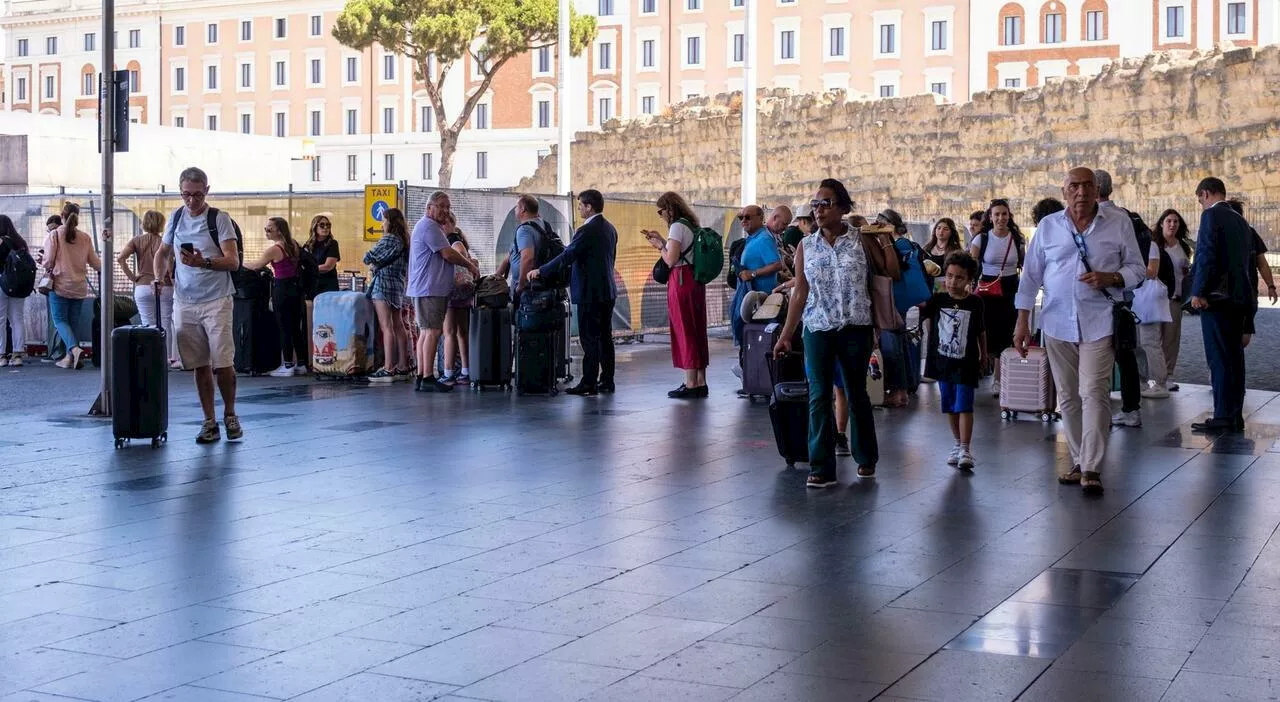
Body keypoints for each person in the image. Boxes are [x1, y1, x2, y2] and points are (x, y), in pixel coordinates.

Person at [1013, 167, 1146, 496]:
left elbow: (1137, 269)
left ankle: (1091, 466)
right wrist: (1022, 321)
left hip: (1099, 320)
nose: (1081, 193)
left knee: (1094, 392)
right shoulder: (1047, 227)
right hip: (1057, 323)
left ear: (1096, 189)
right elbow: (1030, 277)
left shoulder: (1118, 223)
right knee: (1068, 397)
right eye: (1075, 186)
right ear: (1064, 191)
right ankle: (1078, 458)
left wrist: (1111, 278)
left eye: (1088, 186)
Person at [773, 178, 898, 487]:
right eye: (815, 204)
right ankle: (821, 466)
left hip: (856, 326)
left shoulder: (862, 239)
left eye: (826, 203)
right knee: (818, 396)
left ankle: (866, 457)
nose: (818, 210)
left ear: (842, 207)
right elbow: (800, 292)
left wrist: (884, 239)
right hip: (817, 328)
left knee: (856, 392)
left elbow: (890, 273)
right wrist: (786, 334)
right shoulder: (806, 245)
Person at [153, 167, 243, 444]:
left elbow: (233, 261)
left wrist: (203, 262)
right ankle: (209, 420)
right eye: (186, 195)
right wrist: (159, 277)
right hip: (186, 300)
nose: (191, 201)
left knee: (222, 361)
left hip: (217, 300)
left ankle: (229, 413)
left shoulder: (219, 219)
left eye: (197, 195)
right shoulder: (176, 217)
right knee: (199, 363)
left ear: (206, 191)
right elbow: (162, 252)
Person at [528, 189, 619, 396]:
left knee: (589, 339)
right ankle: (607, 380)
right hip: (607, 290)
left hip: (590, 292)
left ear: (589, 207)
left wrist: (540, 270)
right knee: (605, 337)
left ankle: (588, 383)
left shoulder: (587, 230)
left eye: (581, 206)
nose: (579, 209)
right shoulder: (610, 228)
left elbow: (567, 256)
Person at [1188, 178, 1256, 433]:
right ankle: (1234, 414)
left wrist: (1198, 291)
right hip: (1239, 299)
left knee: (1219, 359)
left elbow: (1206, 254)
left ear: (1205, 193)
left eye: (1200, 199)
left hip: (1217, 299)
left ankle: (1223, 417)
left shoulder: (1212, 217)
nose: (1201, 204)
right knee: (1235, 360)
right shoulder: (1241, 221)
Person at [1094, 170, 1155, 427]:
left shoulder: (1108, 219)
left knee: (1105, 353)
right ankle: (1130, 407)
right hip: (1123, 297)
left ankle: (1105, 408)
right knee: (1123, 352)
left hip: (1107, 297)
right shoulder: (1126, 216)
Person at [921, 252, 988, 471]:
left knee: (964, 404)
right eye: (949, 276)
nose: (952, 282)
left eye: (959, 277)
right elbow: (920, 304)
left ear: (969, 280)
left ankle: (966, 448)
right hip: (943, 362)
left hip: (966, 362)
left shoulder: (975, 303)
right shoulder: (938, 300)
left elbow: (980, 331)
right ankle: (957, 444)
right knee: (949, 404)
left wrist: (983, 354)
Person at [408, 191, 479, 393]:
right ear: (429, 207)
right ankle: (428, 377)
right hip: (430, 288)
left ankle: (422, 375)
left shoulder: (426, 226)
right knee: (432, 331)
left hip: (426, 287)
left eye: (448, 207)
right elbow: (448, 254)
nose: (446, 211)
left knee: (425, 332)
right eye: (441, 206)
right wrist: (470, 266)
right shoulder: (429, 227)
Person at [642, 191, 710, 399]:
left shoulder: (677, 226)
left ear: (669, 209)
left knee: (684, 328)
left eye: (660, 211)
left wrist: (660, 246)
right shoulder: (691, 225)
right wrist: (664, 241)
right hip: (695, 280)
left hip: (681, 280)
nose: (660, 215)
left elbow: (671, 260)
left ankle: (689, 383)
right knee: (697, 329)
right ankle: (700, 381)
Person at [969, 199, 1024, 393]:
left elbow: (1023, 264)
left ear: (1009, 215)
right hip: (987, 288)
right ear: (990, 217)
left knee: (1005, 333)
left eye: (1004, 214)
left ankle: (998, 379)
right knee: (984, 331)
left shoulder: (1017, 238)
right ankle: (980, 366)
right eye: (997, 214)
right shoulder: (981, 239)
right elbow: (972, 265)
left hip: (1010, 288)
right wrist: (969, 286)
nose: (1001, 218)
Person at [243, 217, 308, 377]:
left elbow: (257, 265)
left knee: (284, 326)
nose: (266, 231)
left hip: (282, 288)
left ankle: (287, 364)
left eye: (269, 228)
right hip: (297, 288)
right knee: (295, 327)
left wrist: (239, 263)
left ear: (279, 230)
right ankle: (301, 363)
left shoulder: (275, 249)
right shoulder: (293, 244)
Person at [42, 202, 101, 370]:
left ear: (62, 216)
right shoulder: (85, 237)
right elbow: (95, 262)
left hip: (60, 285)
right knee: (73, 321)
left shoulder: (54, 235)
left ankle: (74, 349)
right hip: (79, 286)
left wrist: (43, 262)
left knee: (60, 320)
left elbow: (47, 261)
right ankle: (70, 358)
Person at [118, 210, 177, 367]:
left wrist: (133, 277)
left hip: (143, 286)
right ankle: (167, 358)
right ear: (162, 224)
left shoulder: (136, 240)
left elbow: (120, 258)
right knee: (166, 322)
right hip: (165, 287)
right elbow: (170, 268)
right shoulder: (166, 242)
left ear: (143, 223)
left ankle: (150, 358)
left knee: (147, 324)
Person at [364, 207, 411, 382]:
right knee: (399, 325)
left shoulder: (389, 238)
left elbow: (369, 256)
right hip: (397, 286)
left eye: (384, 220)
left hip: (383, 285)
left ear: (390, 222)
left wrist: (371, 261)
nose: (382, 223)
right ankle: (403, 366)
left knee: (386, 327)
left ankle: (388, 367)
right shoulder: (405, 240)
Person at [729, 205, 784, 354]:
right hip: (753, 302)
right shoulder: (753, 238)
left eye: (748, 217)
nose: (744, 220)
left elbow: (777, 264)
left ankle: (753, 371)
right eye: (741, 217)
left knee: (755, 345)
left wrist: (753, 273)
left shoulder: (764, 239)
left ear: (761, 218)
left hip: (760, 304)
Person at [1153, 209, 1193, 392]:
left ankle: (1168, 375)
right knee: (1152, 339)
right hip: (1155, 299)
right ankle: (1152, 375)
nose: (1172, 224)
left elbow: (1186, 272)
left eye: (1176, 221)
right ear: (1162, 223)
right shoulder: (1155, 246)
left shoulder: (1183, 247)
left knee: (1171, 339)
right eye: (1169, 221)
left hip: (1175, 299)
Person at [442, 219, 477, 385]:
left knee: (449, 332)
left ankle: (448, 372)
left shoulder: (452, 241)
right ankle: (466, 370)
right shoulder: (460, 239)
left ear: (449, 224)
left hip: (452, 291)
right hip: (464, 291)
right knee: (462, 332)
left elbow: (459, 253)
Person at [496, 194, 545, 302]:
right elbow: (510, 254)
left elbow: (527, 258)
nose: (515, 209)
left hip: (527, 287)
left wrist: (521, 284)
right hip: (537, 282)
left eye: (516, 206)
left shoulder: (525, 230)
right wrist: (495, 278)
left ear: (522, 209)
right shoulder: (541, 224)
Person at [0, 215, 30, 367]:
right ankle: (17, 354)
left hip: (1, 284)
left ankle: (2, 356)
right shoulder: (20, 243)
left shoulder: (1, 242)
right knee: (17, 319)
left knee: (0, 320)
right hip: (19, 285)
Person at [303, 213, 342, 297]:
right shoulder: (308, 244)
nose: (326, 228)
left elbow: (328, 266)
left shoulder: (332, 243)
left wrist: (309, 269)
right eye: (322, 225)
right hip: (311, 285)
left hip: (327, 286)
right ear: (315, 227)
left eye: (328, 225)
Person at [923, 217, 964, 287]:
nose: (941, 231)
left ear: (951, 232)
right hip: (927, 286)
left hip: (947, 287)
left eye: (945, 229)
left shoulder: (956, 251)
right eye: (938, 228)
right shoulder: (926, 248)